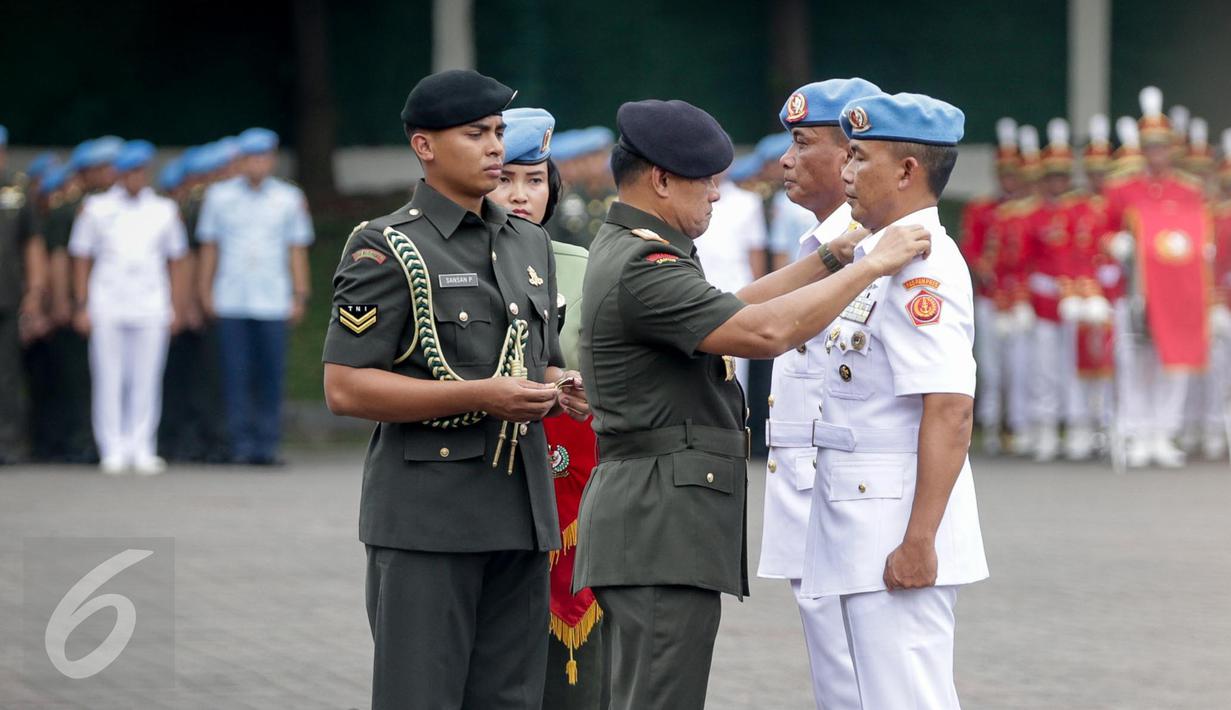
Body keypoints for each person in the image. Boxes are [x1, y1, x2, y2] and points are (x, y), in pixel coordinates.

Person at [572, 98, 930, 710]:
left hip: (652, 520)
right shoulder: (644, 263)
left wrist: (830, 257)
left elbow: (731, 306)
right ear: (660, 179)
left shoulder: (640, 248)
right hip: (658, 527)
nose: (717, 195)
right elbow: (763, 333)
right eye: (706, 182)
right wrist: (871, 268)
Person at [322, 69, 588, 710]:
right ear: (425, 147)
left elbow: (537, 359)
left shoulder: (528, 242)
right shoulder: (386, 246)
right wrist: (479, 396)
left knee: (510, 699)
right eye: (477, 134)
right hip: (428, 518)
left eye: (498, 132)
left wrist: (564, 386)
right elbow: (346, 388)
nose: (496, 147)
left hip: (521, 515)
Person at [801, 92, 989, 710]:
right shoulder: (882, 254)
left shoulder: (920, 267)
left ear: (908, 171)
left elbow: (950, 408)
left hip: (896, 526)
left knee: (906, 697)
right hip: (863, 519)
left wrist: (920, 539)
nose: (846, 173)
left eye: (859, 157)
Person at [758, 77, 881, 710]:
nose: (785, 159)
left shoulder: (874, 247)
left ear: (848, 155)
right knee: (837, 674)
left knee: (867, 674)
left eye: (802, 143)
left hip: (852, 501)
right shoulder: (825, 245)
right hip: (811, 490)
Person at [487, 106, 610, 710]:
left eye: (534, 180)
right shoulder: (451, 259)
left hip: (566, 468)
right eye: (505, 178)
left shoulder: (581, 265)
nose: (520, 195)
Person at [68, 140, 188, 474]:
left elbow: (177, 260)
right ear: (119, 174)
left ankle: (142, 446)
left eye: (140, 171)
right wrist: (81, 304)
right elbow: (81, 257)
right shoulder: (95, 208)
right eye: (129, 171)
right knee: (108, 377)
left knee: (147, 378)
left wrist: (176, 305)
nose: (135, 177)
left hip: (151, 302)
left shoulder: (163, 210)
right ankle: (112, 447)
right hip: (107, 301)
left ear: (147, 173)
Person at [1102, 87, 1207, 468]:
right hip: (1137, 288)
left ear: (1172, 149)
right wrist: (1116, 242)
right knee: (1135, 359)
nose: (1157, 153)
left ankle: (1164, 431)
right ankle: (1137, 430)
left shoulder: (1189, 191)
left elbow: (1199, 232)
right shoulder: (1122, 189)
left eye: (1163, 146)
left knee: (1173, 358)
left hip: (1178, 289)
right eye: (1151, 146)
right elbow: (1105, 230)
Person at [197, 128, 313, 465]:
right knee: (235, 375)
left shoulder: (288, 198)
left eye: (263, 158)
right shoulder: (219, 196)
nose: (257, 164)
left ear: (272, 160)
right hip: (231, 296)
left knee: (270, 375)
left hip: (272, 298)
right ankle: (239, 444)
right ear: (241, 161)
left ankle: (267, 445)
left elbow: (296, 250)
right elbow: (210, 247)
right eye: (251, 158)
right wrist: (205, 290)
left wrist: (300, 294)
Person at [961, 117, 1022, 454]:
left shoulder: (1027, 210)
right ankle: (991, 424)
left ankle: (1015, 424)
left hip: (1018, 298)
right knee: (990, 365)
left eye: (1015, 174)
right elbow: (971, 245)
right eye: (1006, 173)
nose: (1010, 180)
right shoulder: (983, 207)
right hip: (990, 295)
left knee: (1019, 367)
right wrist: (982, 266)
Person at [0, 126, 51, 463]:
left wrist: (34, 292)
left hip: (6, 297)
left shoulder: (16, 192)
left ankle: (9, 443)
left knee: (7, 374)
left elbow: (33, 245)